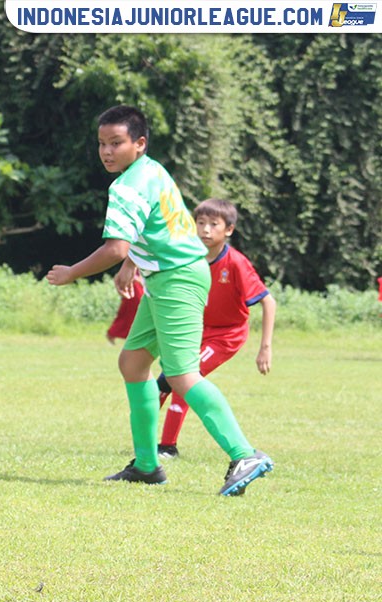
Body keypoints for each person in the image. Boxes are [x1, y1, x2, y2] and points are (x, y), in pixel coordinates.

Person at [47, 105, 273, 497]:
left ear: (139, 143)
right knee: (133, 362)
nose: (107, 151)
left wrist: (71, 272)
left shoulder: (126, 186)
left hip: (177, 280)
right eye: (101, 143)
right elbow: (157, 228)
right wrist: (135, 265)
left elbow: (116, 247)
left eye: (116, 143)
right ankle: (148, 465)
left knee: (183, 375)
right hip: (167, 277)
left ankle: (244, 454)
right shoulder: (151, 170)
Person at [153, 198, 276, 459]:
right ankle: (145, 439)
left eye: (213, 224)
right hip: (196, 330)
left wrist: (265, 348)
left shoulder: (236, 263)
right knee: (160, 384)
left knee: (184, 380)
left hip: (226, 336)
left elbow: (268, 301)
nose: (205, 230)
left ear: (228, 230)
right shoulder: (188, 255)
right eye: (200, 223)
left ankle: (167, 446)